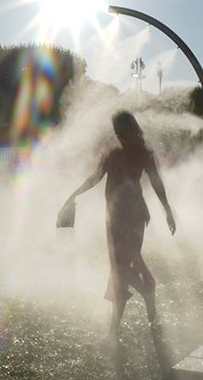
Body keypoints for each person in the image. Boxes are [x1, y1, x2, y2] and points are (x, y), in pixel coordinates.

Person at [62, 111, 176, 339]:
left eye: (122, 132)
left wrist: (168, 210)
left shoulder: (143, 153)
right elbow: (95, 177)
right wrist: (72, 195)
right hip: (114, 216)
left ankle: (136, 303)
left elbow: (156, 182)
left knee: (120, 267)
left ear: (131, 129)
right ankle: (137, 302)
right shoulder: (114, 153)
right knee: (118, 266)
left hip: (133, 216)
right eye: (116, 132)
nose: (119, 136)